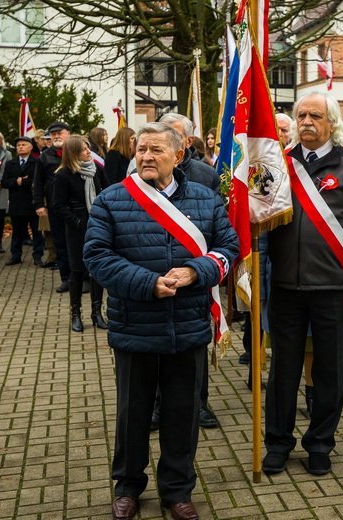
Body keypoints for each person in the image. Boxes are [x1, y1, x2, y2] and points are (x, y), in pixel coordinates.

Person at [84, 122, 238, 520]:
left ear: (178, 155)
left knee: (182, 415)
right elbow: (97, 257)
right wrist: (147, 283)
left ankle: (177, 490)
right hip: (135, 325)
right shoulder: (112, 200)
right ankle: (128, 487)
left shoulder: (206, 199)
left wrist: (195, 272)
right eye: (141, 150)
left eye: (156, 150)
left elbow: (228, 248)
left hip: (188, 328)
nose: (147, 157)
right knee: (132, 414)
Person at [263, 92, 343, 477]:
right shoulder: (279, 165)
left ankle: (320, 443)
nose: (306, 122)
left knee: (330, 371)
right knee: (283, 371)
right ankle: (277, 443)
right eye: (301, 115)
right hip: (285, 286)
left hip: (335, 288)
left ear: (331, 122)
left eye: (315, 115)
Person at [156, 112, 221, 430]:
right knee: (155, 346)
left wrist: (202, 267)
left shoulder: (205, 174)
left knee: (196, 346)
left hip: (194, 275)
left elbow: (217, 224)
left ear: (187, 142)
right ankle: (157, 406)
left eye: (175, 134)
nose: (168, 137)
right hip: (153, 275)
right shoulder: (143, 171)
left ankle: (199, 404)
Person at [52, 136, 109, 332]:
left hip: (98, 225)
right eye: (84, 149)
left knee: (97, 270)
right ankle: (75, 313)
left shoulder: (96, 170)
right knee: (77, 270)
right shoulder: (63, 175)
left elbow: (106, 193)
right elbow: (59, 205)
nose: (88, 152)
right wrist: (76, 222)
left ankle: (96, 312)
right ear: (74, 152)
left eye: (88, 148)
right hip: (77, 228)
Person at [33, 121, 72, 293]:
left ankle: (83, 278)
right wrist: (39, 204)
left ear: (68, 133)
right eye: (53, 133)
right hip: (55, 206)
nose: (56, 136)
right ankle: (66, 279)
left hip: (75, 206)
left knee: (77, 243)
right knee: (60, 243)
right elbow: (38, 182)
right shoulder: (45, 156)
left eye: (60, 133)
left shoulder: (77, 152)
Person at [1, 136, 44, 266]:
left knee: (36, 232)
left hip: (32, 203)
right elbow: (4, 182)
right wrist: (16, 181)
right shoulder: (10, 164)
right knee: (17, 232)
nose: (20, 147)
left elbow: (39, 181)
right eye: (18, 145)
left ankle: (38, 256)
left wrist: (24, 181)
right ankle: (16, 256)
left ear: (31, 147)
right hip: (16, 203)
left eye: (23, 145)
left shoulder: (36, 162)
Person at [159, 114, 220, 192]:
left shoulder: (208, 176)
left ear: (189, 141)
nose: (167, 141)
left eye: (175, 136)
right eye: (162, 136)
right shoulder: (143, 174)